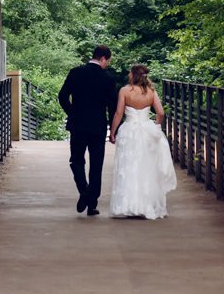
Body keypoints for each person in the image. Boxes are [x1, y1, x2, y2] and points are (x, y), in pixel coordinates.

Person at [109, 64, 177, 219]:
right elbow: (160, 112)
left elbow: (119, 113)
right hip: (147, 130)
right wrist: (156, 127)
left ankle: (128, 206)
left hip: (129, 131)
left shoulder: (125, 91)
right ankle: (147, 205)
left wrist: (112, 132)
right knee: (147, 168)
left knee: (128, 167)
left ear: (133, 75)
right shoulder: (151, 92)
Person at [58, 45, 118, 216]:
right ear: (104, 58)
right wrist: (113, 131)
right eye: (108, 61)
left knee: (76, 160)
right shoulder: (108, 78)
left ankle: (83, 191)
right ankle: (92, 203)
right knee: (96, 164)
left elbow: (62, 96)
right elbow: (113, 107)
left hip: (77, 125)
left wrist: (72, 112)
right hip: (98, 127)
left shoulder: (76, 72)